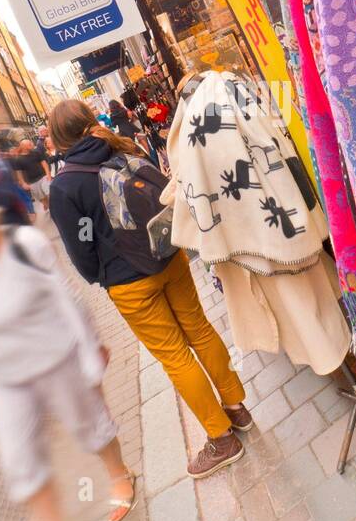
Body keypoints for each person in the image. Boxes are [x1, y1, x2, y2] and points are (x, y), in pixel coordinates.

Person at [46, 99, 251, 479]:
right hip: (169, 255)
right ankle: (237, 408)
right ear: (90, 122)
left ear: (58, 140)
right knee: (201, 330)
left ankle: (222, 439)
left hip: (129, 282)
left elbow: (80, 247)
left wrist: (103, 274)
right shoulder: (123, 145)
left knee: (175, 356)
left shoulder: (65, 185)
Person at [0, 189, 137, 521]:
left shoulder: (23, 245)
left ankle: (119, 475)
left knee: (89, 427)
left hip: (56, 360)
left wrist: (92, 347)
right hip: (7, 380)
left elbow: (67, 299)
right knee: (19, 461)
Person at [12, 138, 52, 213]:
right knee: (42, 198)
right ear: (23, 147)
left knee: (49, 193)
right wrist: (23, 183)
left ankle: (53, 208)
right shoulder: (18, 159)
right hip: (32, 182)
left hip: (43, 177)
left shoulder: (36, 152)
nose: (32, 145)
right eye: (29, 144)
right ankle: (46, 204)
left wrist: (48, 175)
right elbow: (19, 173)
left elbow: (44, 164)